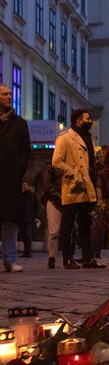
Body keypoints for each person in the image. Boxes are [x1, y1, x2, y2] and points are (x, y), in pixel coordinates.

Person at [53, 108, 106, 269]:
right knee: (67, 224)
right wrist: (73, 172)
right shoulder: (65, 138)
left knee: (85, 223)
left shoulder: (89, 137)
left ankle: (87, 258)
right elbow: (56, 161)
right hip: (73, 186)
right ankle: (67, 259)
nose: (90, 121)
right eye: (87, 118)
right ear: (78, 120)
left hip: (87, 186)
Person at [0, 85, 30, 273]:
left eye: (10, 93)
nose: (9, 96)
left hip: (11, 178)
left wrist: (20, 168)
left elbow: (26, 149)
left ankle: (10, 259)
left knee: (10, 220)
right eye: (4, 94)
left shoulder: (19, 123)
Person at [35, 162, 63, 268]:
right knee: (54, 230)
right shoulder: (50, 168)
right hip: (55, 200)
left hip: (65, 199)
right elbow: (48, 186)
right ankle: (52, 257)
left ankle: (66, 257)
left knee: (63, 230)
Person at [17, 182, 42, 259]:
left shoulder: (33, 195)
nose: (23, 186)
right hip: (23, 218)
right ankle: (26, 252)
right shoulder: (22, 195)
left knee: (28, 235)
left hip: (30, 218)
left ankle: (28, 252)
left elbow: (37, 206)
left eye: (25, 185)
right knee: (24, 235)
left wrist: (37, 217)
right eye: (22, 185)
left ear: (28, 186)